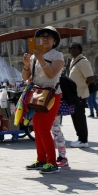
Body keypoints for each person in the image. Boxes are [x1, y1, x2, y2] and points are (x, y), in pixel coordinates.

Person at [22, 26, 64, 174]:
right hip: (38, 95)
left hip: (51, 96)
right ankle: (41, 160)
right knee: (38, 130)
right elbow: (26, 78)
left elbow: (52, 74)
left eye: (49, 36)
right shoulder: (34, 57)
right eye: (42, 36)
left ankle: (52, 162)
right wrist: (27, 65)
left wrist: (40, 58)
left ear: (55, 41)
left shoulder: (57, 56)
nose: (45, 38)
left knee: (44, 129)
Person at [67, 42, 95, 148]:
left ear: (80, 49)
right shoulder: (74, 61)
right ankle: (80, 139)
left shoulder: (83, 61)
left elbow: (90, 77)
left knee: (80, 117)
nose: (71, 50)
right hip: (75, 94)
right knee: (75, 117)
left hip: (80, 94)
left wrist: (82, 86)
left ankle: (83, 140)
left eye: (74, 48)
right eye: (70, 48)